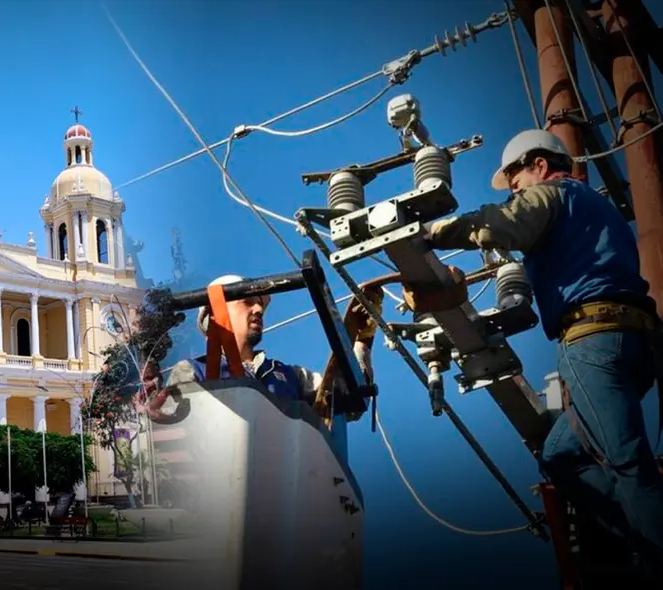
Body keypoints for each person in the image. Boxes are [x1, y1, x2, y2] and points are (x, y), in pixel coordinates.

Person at [419, 128, 663, 566]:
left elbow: (504, 224)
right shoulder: (595, 207)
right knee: (560, 455)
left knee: (626, 463)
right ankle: (639, 534)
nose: (513, 184)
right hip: (637, 344)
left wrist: (432, 233)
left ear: (541, 165)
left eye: (515, 173)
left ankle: (653, 544)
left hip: (592, 341)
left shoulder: (552, 195)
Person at [164, 274, 377, 460]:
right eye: (247, 301)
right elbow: (174, 440)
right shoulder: (192, 372)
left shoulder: (292, 376)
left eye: (260, 304)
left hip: (289, 488)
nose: (258, 309)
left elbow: (347, 403)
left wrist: (361, 341)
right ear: (216, 314)